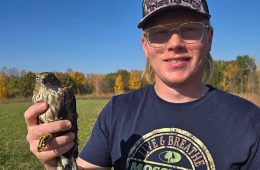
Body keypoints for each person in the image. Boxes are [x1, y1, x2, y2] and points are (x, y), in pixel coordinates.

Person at [25, 0, 260, 169]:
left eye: (189, 29)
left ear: (209, 38)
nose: (174, 43)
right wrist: (52, 162)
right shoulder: (117, 111)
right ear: (145, 46)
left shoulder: (250, 122)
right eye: (159, 33)